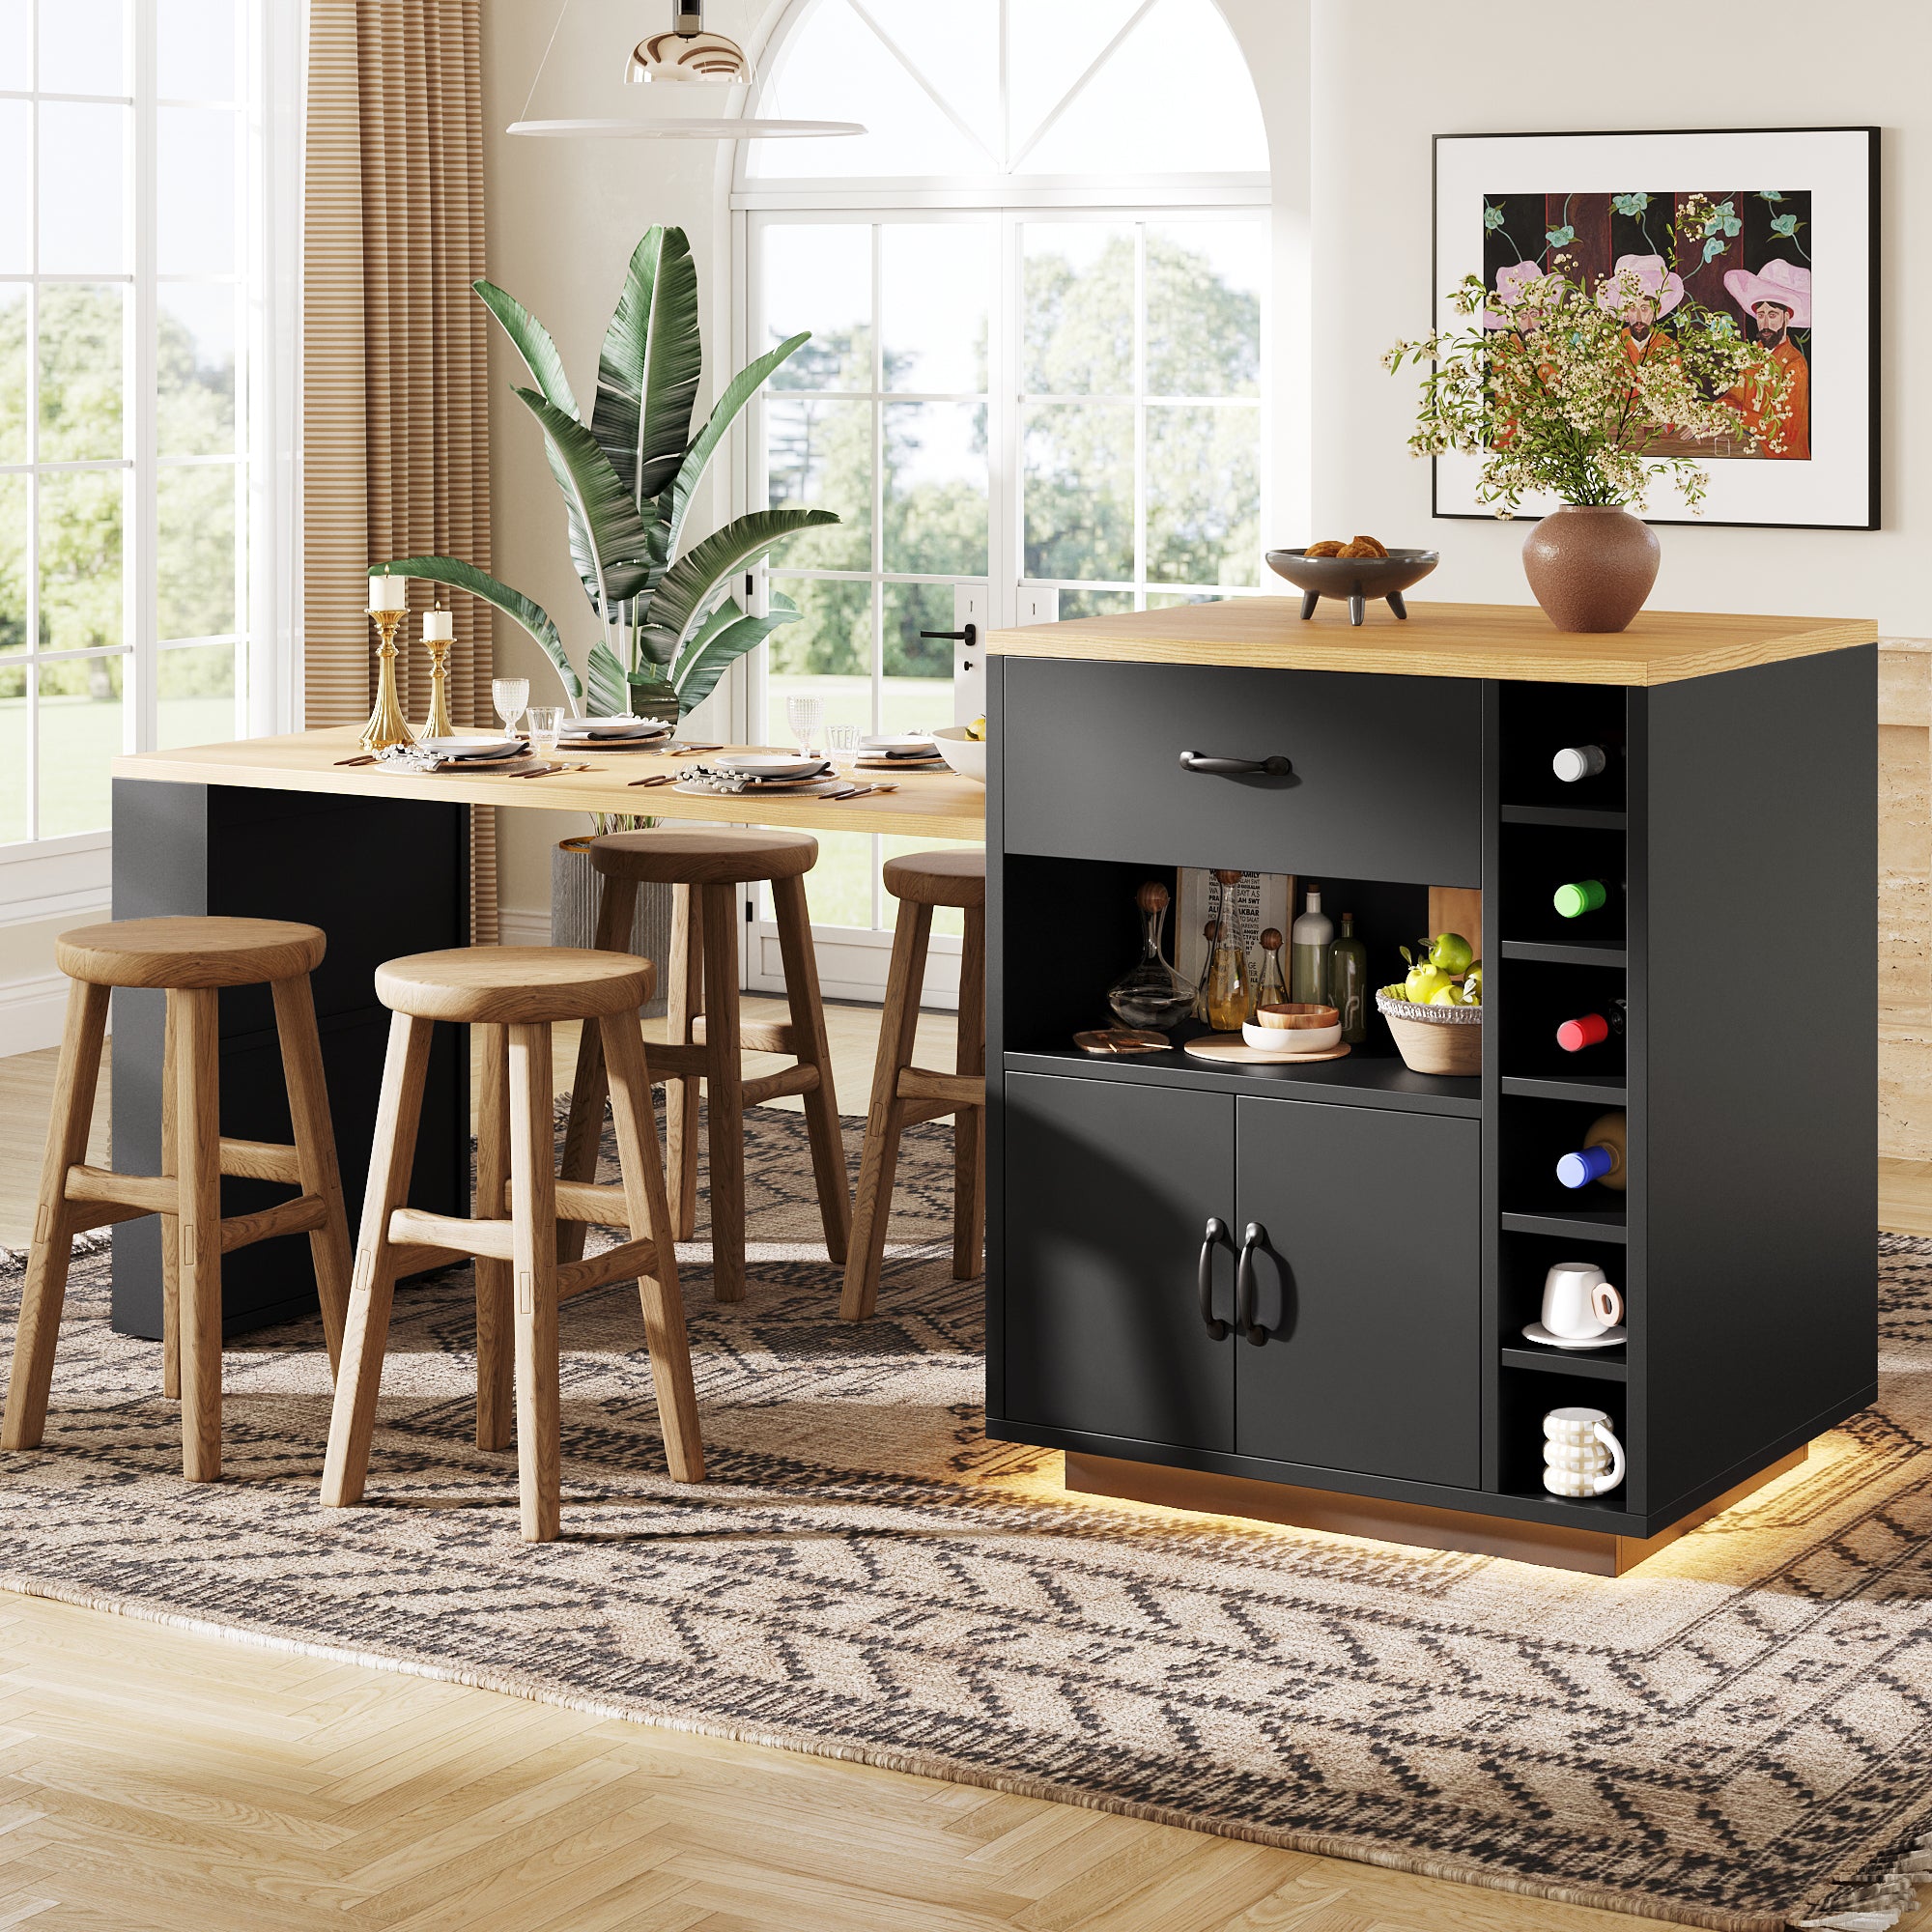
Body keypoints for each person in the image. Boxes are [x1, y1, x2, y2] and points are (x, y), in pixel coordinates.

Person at [1720, 258, 1810, 459]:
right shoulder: (1753, 356)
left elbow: (1786, 431)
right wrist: (1709, 414)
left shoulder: (1795, 364)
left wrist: (1738, 415)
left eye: (1773, 315)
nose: (1765, 323)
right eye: (1761, 315)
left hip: (1784, 458)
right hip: (1750, 450)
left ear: (1786, 317)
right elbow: (1734, 398)